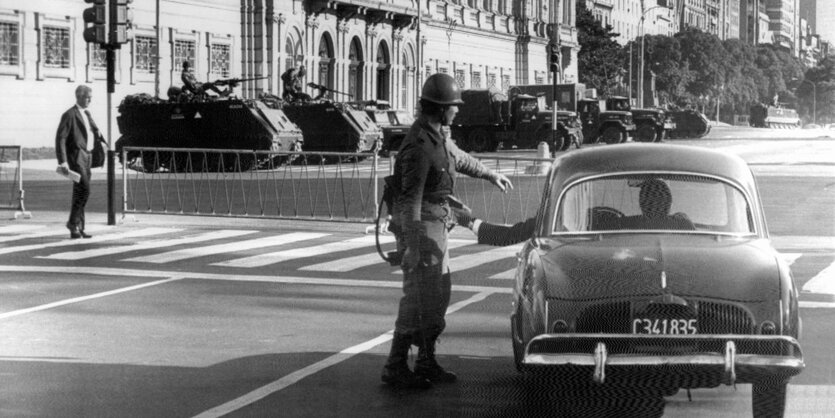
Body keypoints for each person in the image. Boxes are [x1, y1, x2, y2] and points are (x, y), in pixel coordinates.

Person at [382, 73, 513, 389]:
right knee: (418, 298)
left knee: (437, 297)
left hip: (435, 227)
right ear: (441, 109)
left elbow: (459, 158)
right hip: (421, 229)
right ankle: (396, 365)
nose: (457, 110)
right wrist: (412, 245)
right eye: (453, 106)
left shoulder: (437, 136)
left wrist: (489, 174)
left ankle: (426, 361)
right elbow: (410, 202)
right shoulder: (418, 146)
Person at [55, 85, 106, 239]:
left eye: (91, 97)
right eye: (87, 97)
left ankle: (78, 228)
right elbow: (61, 138)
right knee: (85, 189)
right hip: (76, 157)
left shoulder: (87, 114)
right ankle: (72, 222)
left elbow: (93, 133)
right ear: (78, 97)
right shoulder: (70, 115)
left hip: (88, 156)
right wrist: (63, 161)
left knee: (79, 193)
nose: (90, 100)